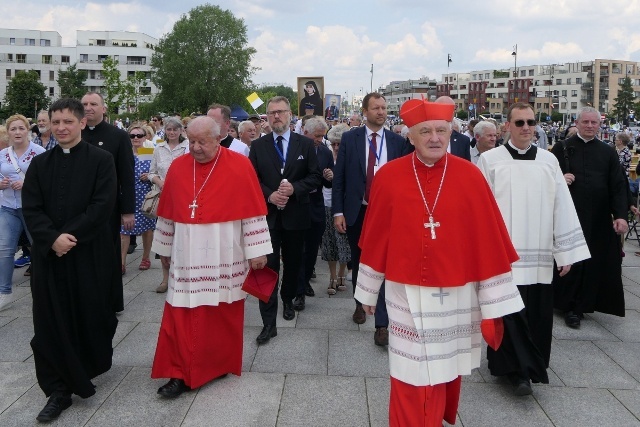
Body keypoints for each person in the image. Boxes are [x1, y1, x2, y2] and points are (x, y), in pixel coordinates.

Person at [355, 97, 524, 427]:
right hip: (406, 292)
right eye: (426, 131)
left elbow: (487, 241)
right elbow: (376, 237)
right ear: (411, 136)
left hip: (457, 292)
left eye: (442, 131)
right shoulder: (389, 176)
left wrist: (493, 302)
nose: (435, 138)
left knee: (444, 369)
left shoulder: (470, 176)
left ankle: (434, 418)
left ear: (451, 134)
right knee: (410, 372)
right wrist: (367, 292)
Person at [151, 116, 271, 398]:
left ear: (219, 139)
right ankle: (179, 373)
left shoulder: (240, 165)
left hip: (226, 253)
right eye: (190, 141)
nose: (194, 148)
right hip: (185, 255)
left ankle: (218, 365)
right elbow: (168, 213)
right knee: (181, 314)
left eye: (201, 142)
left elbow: (252, 211)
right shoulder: (179, 167)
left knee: (221, 314)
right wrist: (164, 250)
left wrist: (257, 253)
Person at [477, 102, 591, 396]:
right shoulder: (491, 161)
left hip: (539, 255)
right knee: (509, 314)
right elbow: (480, 210)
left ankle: (531, 368)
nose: (526, 128)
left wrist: (565, 252)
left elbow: (561, 206)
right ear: (507, 126)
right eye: (519, 123)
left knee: (537, 314)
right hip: (505, 256)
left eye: (531, 122)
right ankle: (513, 371)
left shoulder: (548, 161)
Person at [22, 98, 119, 422]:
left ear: (81, 123)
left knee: (89, 315)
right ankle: (57, 390)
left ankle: (83, 369)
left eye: (68, 121)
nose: (61, 127)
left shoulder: (102, 160)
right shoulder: (39, 165)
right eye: (56, 122)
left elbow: (102, 205)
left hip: (88, 255)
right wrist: (52, 240)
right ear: (48, 124)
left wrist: (69, 237)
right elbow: (31, 208)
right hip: (49, 258)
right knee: (49, 321)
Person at [332, 92, 408, 346]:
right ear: (365, 111)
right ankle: (359, 303)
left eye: (384, 108)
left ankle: (382, 324)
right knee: (360, 260)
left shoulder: (397, 142)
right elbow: (340, 178)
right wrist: (338, 211)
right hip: (358, 210)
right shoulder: (350, 139)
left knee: (386, 264)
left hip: (388, 213)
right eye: (376, 108)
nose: (381, 112)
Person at [249, 96, 321, 345]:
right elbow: (252, 180)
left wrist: (294, 189)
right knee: (266, 267)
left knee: (293, 263)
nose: (276, 116)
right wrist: (270, 195)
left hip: (296, 215)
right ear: (266, 117)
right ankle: (268, 322)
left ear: (290, 114)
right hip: (268, 218)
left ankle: (287, 298)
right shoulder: (259, 146)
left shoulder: (304, 144)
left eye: (280, 112)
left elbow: (315, 177)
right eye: (271, 113)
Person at [551, 107, 629, 328]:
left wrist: (621, 215)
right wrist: (559, 178)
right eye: (585, 122)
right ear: (577, 123)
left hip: (598, 217)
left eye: (594, 123)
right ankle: (569, 305)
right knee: (571, 260)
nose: (590, 126)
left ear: (599, 125)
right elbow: (547, 177)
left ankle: (583, 304)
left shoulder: (608, 152)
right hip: (569, 216)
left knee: (594, 262)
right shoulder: (561, 148)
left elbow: (618, 185)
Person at [81, 91, 135, 313]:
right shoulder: (75, 133)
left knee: (107, 255)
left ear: (104, 108)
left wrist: (128, 210)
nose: (88, 107)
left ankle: (111, 301)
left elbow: (127, 175)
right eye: (84, 103)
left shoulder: (118, 136)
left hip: (107, 208)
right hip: (79, 207)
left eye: (94, 103)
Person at [0, 114, 46, 310]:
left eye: (21, 128)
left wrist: (27, 183)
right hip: (8, 207)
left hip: (32, 209)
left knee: (40, 249)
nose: (17, 132)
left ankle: (45, 290)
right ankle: (4, 291)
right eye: (13, 129)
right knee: (4, 250)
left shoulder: (39, 152)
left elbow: (48, 180)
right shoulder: (3, 154)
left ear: (28, 130)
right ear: (8, 132)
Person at [292, 117, 335, 311]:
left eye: (322, 136)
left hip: (316, 206)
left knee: (311, 252)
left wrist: (329, 178)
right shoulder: (294, 147)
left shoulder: (325, 152)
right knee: (297, 250)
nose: (320, 139)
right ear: (306, 132)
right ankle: (298, 292)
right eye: (317, 136)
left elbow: (328, 182)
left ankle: (305, 280)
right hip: (297, 205)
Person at [148, 117, 189, 293]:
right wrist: (159, 181)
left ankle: (182, 276)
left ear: (180, 131)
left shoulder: (187, 147)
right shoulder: (159, 149)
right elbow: (151, 172)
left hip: (183, 198)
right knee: (164, 239)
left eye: (175, 129)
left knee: (183, 237)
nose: (171, 132)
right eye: (169, 129)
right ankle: (165, 278)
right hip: (164, 198)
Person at [120, 124, 156, 274]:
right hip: (128, 194)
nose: (135, 138)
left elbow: (157, 171)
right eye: (132, 136)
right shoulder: (124, 153)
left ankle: (145, 258)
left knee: (147, 229)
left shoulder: (151, 153)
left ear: (145, 137)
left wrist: (149, 176)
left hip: (145, 195)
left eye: (139, 136)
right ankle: (121, 263)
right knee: (124, 230)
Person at [321, 124, 351, 295]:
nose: (336, 147)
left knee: (344, 242)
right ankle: (332, 276)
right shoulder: (326, 156)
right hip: (326, 202)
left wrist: (336, 178)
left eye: (339, 143)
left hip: (344, 205)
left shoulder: (349, 157)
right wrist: (326, 177)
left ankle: (342, 274)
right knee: (329, 241)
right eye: (333, 144)